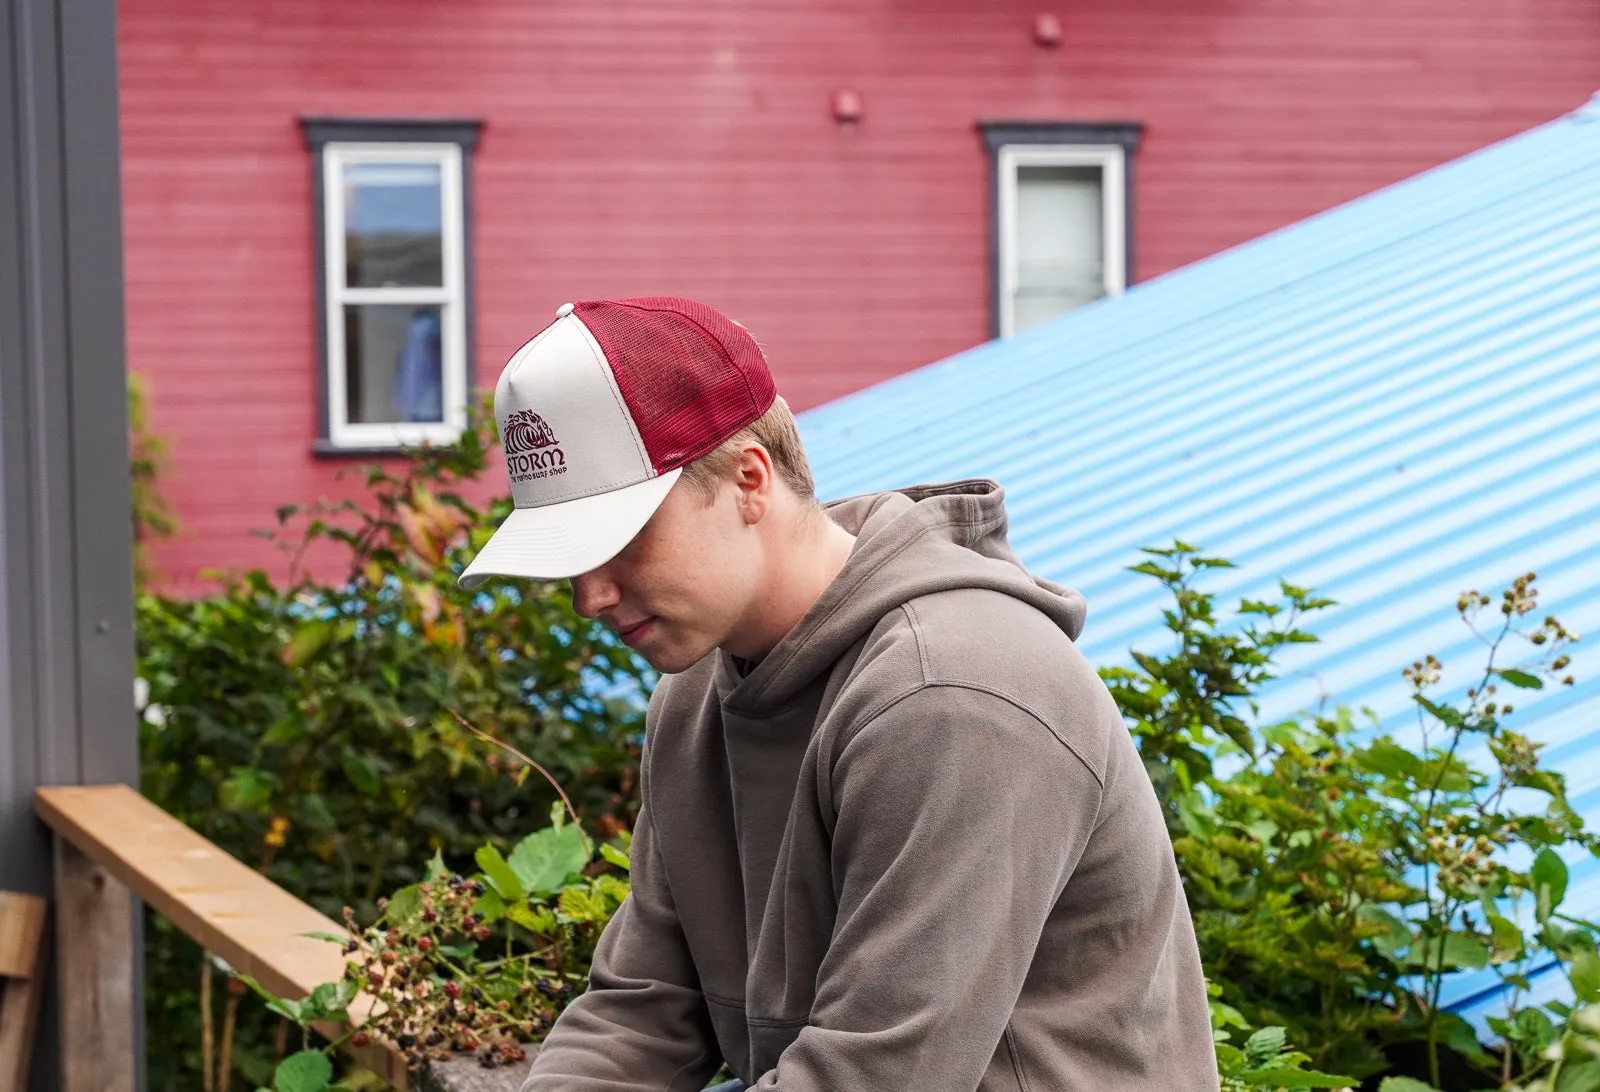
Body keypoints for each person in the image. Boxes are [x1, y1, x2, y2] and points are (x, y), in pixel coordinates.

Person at [458, 297, 1217, 1091]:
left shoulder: (952, 694)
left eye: (617, 541)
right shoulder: (695, 696)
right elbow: (642, 1009)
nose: (590, 596)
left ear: (749, 480)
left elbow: (876, 1074)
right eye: (568, 559)